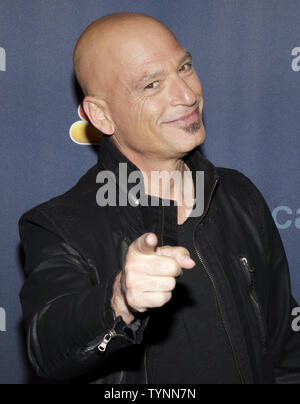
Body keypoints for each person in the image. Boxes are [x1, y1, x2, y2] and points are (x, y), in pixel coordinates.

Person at [19, 12, 300, 384]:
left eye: (184, 67)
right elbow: (48, 349)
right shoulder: (57, 226)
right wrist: (119, 300)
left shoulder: (239, 195)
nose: (187, 96)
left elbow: (285, 352)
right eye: (152, 85)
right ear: (101, 116)